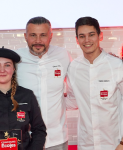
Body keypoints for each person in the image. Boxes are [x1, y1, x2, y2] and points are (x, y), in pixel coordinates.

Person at [66, 16, 123, 150]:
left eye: (91, 35)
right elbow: (72, 101)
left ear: (100, 36)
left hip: (114, 143)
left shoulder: (117, 65)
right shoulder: (74, 68)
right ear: (77, 40)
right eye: (82, 36)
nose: (87, 40)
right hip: (86, 143)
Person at [0, 47, 46, 150]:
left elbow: (39, 130)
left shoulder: (27, 95)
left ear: (13, 69)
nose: (2, 70)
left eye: (7, 65)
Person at [16, 17, 70, 150]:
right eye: (33, 35)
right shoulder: (15, 59)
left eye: (43, 35)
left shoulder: (63, 55)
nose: (38, 41)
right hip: (25, 139)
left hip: (57, 139)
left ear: (50, 36)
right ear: (25, 37)